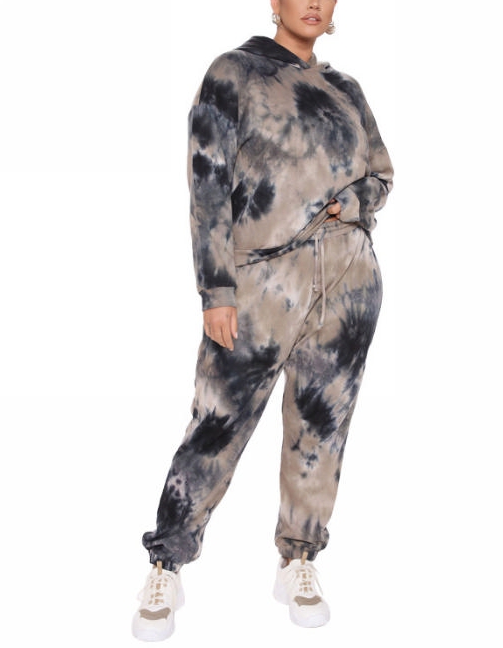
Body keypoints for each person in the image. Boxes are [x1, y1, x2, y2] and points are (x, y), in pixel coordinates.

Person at [132, 0, 393, 639]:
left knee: (322, 426)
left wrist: (351, 203)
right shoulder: (234, 72)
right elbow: (207, 187)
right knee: (217, 424)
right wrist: (215, 290)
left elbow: (383, 175)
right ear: (274, 2)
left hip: (348, 283)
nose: (313, 2)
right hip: (258, 287)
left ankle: (299, 556)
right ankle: (167, 560)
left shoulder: (346, 89)